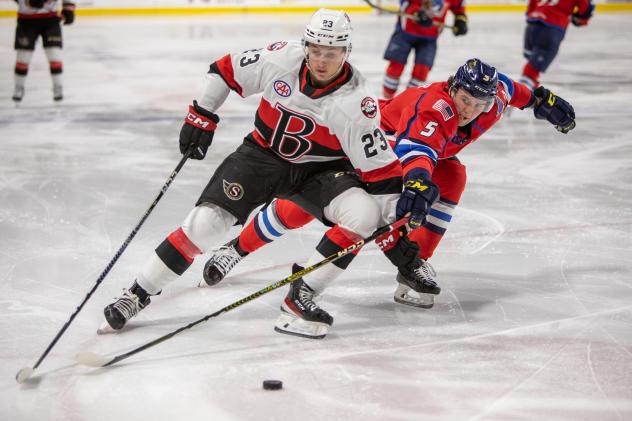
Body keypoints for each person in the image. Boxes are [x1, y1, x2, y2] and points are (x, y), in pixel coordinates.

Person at [100, 9, 433, 340]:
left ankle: (300, 297)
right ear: (306, 45)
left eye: (331, 53)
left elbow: (381, 173)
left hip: (319, 171)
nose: (321, 60)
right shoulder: (280, 58)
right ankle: (136, 294)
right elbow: (225, 70)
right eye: (315, 50)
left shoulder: (357, 102)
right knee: (204, 225)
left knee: (363, 214)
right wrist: (201, 115)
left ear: (346, 52)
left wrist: (401, 215)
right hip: (261, 157)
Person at [202, 58, 577, 308]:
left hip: (418, 154)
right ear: (452, 89)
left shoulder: (494, 98)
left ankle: (413, 267)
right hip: (370, 148)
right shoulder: (435, 107)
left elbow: (520, 92)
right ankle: (238, 247)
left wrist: (545, 102)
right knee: (304, 207)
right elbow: (419, 149)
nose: (469, 110)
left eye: (478, 104)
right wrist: (415, 183)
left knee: (453, 175)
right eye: (464, 99)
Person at [382, 0, 467, 99]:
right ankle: (386, 101)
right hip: (404, 33)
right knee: (395, 67)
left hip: (429, 38)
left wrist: (460, 19)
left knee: (421, 71)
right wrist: (415, 12)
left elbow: (459, 6)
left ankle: (408, 101)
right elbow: (404, 3)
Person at [519, 0, 594, 89]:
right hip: (551, 26)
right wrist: (582, 18)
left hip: (532, 24)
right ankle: (524, 93)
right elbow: (585, 8)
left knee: (532, 61)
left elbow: (530, 7)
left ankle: (530, 88)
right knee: (533, 69)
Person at [12, 0, 75, 102]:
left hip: (50, 20)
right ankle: (18, 87)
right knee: (23, 57)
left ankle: (57, 87)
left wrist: (68, 8)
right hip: (26, 21)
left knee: (54, 55)